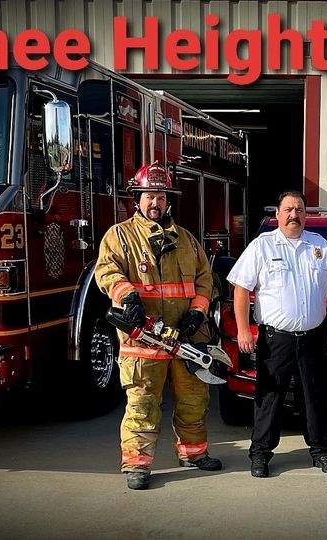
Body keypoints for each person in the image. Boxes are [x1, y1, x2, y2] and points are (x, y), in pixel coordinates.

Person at [94, 162, 221, 490]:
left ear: (169, 200)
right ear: (136, 198)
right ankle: (137, 465)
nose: (155, 203)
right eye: (149, 196)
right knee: (143, 402)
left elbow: (206, 282)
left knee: (194, 398)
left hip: (188, 338)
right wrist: (127, 297)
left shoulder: (188, 241)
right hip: (143, 341)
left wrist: (198, 313)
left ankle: (193, 453)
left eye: (161, 197)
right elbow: (107, 272)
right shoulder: (119, 236)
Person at [228, 190, 327, 478]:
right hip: (275, 340)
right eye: (288, 209)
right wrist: (245, 329)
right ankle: (260, 454)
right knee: (269, 398)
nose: (293, 214)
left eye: (299, 209)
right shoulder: (263, 246)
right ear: (278, 214)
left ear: (306, 215)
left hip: (313, 337)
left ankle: (321, 451)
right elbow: (241, 288)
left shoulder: (319, 246)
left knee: (315, 398)